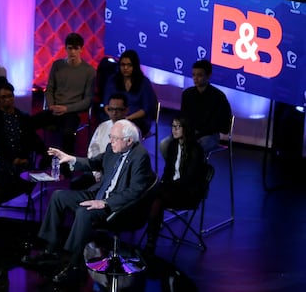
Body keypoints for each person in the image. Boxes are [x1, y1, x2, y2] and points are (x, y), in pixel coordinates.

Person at [21, 119, 155, 284]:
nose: (110, 141)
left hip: (119, 206)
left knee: (83, 213)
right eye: (110, 136)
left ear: (128, 140)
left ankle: (73, 265)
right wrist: (70, 159)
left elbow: (135, 191)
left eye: (114, 138)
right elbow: (93, 163)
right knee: (58, 196)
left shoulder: (140, 156)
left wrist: (105, 203)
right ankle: (51, 251)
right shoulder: (112, 148)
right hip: (100, 194)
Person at [0, 76, 49, 229]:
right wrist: (12, 160)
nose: (7, 100)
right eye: (3, 97)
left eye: (10, 96)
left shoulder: (22, 117)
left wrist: (47, 154)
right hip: (1, 161)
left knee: (26, 178)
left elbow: (34, 140)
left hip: (23, 162)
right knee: (4, 175)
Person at [144, 116, 206, 255]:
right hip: (170, 190)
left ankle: (150, 236)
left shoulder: (195, 149)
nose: (174, 130)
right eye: (173, 126)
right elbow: (168, 170)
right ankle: (151, 239)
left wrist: (166, 186)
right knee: (156, 198)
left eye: (178, 127)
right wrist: (165, 184)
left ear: (186, 128)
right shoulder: (172, 145)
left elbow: (189, 178)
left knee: (154, 195)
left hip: (187, 192)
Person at [31, 32, 96, 155]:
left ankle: (66, 168)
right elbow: (49, 89)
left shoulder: (89, 71)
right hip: (54, 110)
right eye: (70, 48)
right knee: (26, 124)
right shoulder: (57, 65)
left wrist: (66, 108)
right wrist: (51, 106)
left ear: (81, 49)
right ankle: (44, 155)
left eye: (76, 48)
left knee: (68, 134)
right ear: (65, 48)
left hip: (71, 113)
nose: (72, 52)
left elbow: (87, 101)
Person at [160, 59, 232, 159]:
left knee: (193, 149)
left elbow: (222, 125)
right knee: (164, 145)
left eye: (200, 75)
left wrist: (197, 135)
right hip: (189, 133)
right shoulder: (187, 94)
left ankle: (195, 173)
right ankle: (174, 170)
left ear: (208, 76)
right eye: (193, 75)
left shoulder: (218, 97)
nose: (195, 78)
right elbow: (183, 117)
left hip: (209, 135)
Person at [70, 93, 128, 190]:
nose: (114, 113)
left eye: (118, 110)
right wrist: (96, 173)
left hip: (117, 176)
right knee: (76, 184)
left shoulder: (131, 131)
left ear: (126, 110)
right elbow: (93, 149)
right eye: (111, 109)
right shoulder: (103, 126)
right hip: (97, 170)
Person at [103, 49, 157, 136]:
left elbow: (145, 109)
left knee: (124, 131)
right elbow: (106, 104)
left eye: (129, 65)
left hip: (137, 119)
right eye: (123, 65)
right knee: (105, 129)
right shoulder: (112, 80)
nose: (125, 68)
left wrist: (126, 119)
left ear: (135, 66)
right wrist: (113, 116)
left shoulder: (144, 82)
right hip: (114, 117)